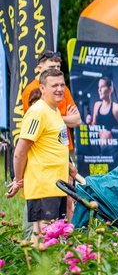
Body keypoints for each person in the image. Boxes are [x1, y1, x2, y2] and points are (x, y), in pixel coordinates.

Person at [7, 69, 71, 242]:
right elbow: (20, 152)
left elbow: (57, 145)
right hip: (43, 186)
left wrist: (71, 169)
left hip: (57, 185)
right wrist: (18, 180)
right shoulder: (38, 112)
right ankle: (34, 268)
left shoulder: (55, 111)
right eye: (54, 85)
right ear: (42, 88)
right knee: (44, 238)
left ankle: (34, 268)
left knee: (44, 239)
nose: (59, 89)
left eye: (62, 85)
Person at [20, 50, 81, 150]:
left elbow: (77, 120)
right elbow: (34, 122)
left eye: (58, 67)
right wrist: (65, 118)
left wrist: (51, 118)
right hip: (44, 148)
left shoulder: (63, 88)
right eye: (52, 67)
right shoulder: (30, 90)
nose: (56, 70)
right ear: (39, 68)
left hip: (64, 146)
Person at [89, 76, 118, 143]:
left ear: (110, 89)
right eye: (98, 87)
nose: (99, 90)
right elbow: (94, 123)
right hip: (100, 144)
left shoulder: (117, 108)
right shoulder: (97, 105)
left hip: (114, 146)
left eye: (102, 87)